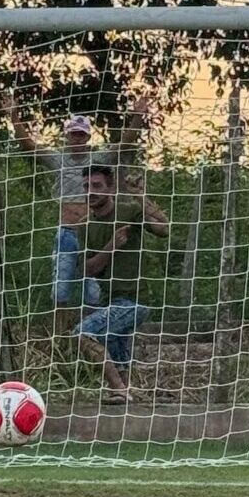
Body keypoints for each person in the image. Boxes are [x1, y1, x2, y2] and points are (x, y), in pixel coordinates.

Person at [4, 92, 153, 309]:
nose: (77, 139)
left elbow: (125, 144)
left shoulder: (98, 159)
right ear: (67, 135)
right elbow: (28, 145)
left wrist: (138, 116)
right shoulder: (58, 159)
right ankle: (60, 338)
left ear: (88, 137)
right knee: (60, 288)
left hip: (92, 233)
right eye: (73, 134)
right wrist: (14, 116)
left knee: (93, 291)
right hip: (67, 232)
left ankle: (89, 335)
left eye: (81, 135)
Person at [73, 163, 169, 403]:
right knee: (115, 350)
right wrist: (111, 247)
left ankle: (117, 388)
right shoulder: (85, 226)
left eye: (96, 186)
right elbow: (87, 269)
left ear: (110, 188)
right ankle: (124, 394)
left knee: (82, 334)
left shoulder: (129, 212)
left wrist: (139, 194)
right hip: (110, 302)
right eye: (86, 187)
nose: (91, 191)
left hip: (135, 300)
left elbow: (163, 228)